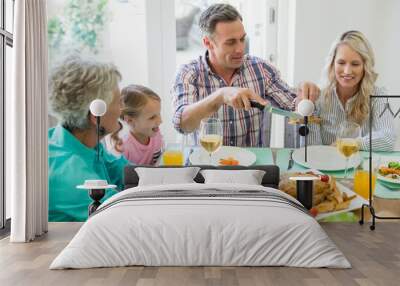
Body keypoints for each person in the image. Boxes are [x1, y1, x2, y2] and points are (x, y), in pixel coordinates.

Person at [172, 3, 320, 147]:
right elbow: (182, 124)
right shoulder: (189, 73)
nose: (240, 49)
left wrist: (303, 98)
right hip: (206, 165)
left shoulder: (261, 69)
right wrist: (220, 96)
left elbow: (292, 106)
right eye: (230, 42)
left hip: (253, 167)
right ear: (208, 43)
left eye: (242, 39)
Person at [48, 55, 129, 222]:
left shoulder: (83, 142)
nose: (122, 109)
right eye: (118, 102)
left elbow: (127, 174)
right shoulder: (70, 173)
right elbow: (125, 216)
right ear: (95, 115)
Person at [307, 30, 395, 151]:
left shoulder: (378, 95)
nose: (347, 71)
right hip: (324, 167)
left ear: (365, 66)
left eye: (355, 64)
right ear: (332, 63)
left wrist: (353, 144)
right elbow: (312, 150)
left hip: (360, 168)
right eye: (341, 62)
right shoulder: (317, 97)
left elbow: (388, 138)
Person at [110, 85, 164, 165]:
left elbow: (156, 164)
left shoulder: (156, 135)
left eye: (159, 114)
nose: (160, 121)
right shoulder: (124, 148)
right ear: (130, 120)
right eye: (152, 117)